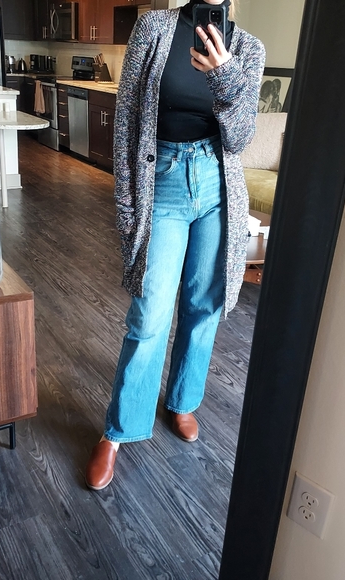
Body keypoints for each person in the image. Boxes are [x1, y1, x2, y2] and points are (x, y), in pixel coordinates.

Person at [85, 0, 265, 491]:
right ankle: (119, 429)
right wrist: (127, 205)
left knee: (204, 305)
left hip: (216, 184)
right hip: (161, 178)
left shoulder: (248, 49)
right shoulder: (154, 27)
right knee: (150, 312)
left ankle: (183, 401)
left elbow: (239, 138)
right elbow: (127, 119)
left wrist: (223, 73)